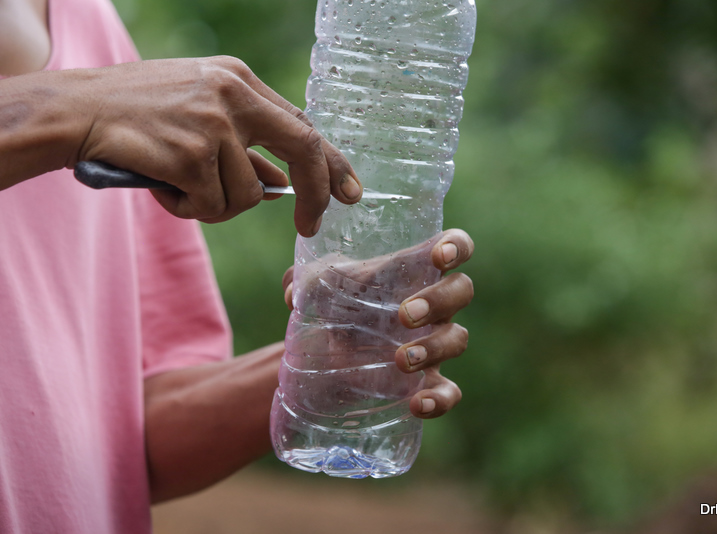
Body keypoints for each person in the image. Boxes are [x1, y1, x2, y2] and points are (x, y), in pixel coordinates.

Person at [0, 0, 475, 531]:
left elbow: (117, 437)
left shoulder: (87, 22)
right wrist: (69, 112)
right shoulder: (95, 96)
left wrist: (325, 358)